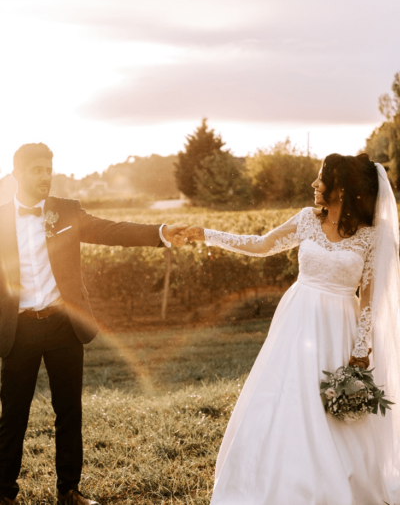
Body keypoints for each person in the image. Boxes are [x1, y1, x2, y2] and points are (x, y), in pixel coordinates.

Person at [183, 153, 400, 505]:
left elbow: (369, 299)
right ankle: (284, 481)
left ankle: (341, 483)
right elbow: (261, 244)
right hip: (298, 322)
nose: (314, 185)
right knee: (287, 398)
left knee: (334, 412)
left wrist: (361, 349)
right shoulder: (306, 220)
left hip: (339, 329)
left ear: (341, 189)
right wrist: (207, 235)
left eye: (321, 179)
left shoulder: (370, 237)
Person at [0, 143, 188, 505]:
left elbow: (111, 230)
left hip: (63, 325)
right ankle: (4, 493)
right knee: (12, 417)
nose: (45, 175)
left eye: (48, 168)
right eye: (37, 169)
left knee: (69, 411)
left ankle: (69, 491)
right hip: (18, 330)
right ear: (17, 174)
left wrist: (161, 232)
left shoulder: (67, 212)